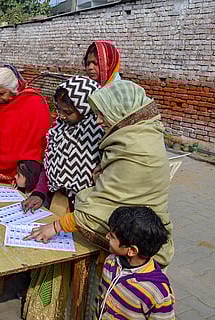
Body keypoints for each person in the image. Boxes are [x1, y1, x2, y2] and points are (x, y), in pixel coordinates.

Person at [23, 80, 174, 319]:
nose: (99, 121)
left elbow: (102, 207)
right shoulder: (130, 138)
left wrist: (58, 225)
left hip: (137, 245)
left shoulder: (136, 150)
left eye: (103, 115)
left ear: (121, 112)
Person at [22, 76, 103, 214]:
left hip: (86, 210)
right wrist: (39, 193)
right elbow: (48, 167)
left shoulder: (99, 135)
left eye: (68, 112)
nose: (62, 116)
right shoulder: (59, 129)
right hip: (58, 203)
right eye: (59, 110)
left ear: (86, 108)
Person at [96, 206, 175, 319]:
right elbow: (101, 297)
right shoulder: (111, 262)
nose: (107, 236)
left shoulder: (157, 293)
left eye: (112, 236)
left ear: (132, 250)